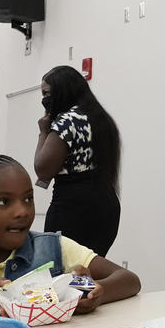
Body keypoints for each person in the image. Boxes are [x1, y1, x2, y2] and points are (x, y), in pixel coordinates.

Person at [0, 146, 140, 318]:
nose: (22, 211)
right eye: (4, 202)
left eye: (28, 199)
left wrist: (91, 291)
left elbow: (130, 280)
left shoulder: (54, 246)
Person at [35, 65, 121, 257]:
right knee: (90, 270)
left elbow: (43, 169)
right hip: (106, 204)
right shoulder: (101, 119)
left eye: (47, 94)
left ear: (62, 92)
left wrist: (43, 132)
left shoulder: (68, 120)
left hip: (73, 206)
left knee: (62, 271)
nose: (44, 100)